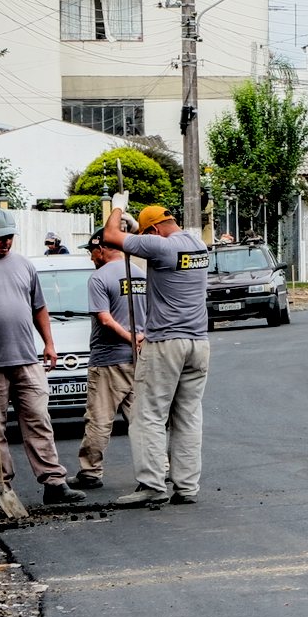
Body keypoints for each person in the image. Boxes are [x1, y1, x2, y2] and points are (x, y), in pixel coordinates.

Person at [0, 208, 87, 507]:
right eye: (0, 238)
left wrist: (49, 344)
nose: (6, 243)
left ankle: (54, 482)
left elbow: (39, 307)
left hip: (26, 358)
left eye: (10, 237)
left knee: (39, 419)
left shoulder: (24, 266)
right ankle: (2, 485)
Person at [101, 202, 209, 509]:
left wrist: (118, 207)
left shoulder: (159, 247)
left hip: (165, 343)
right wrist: (138, 232)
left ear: (153, 231)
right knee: (187, 415)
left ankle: (151, 484)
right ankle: (187, 486)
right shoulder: (196, 244)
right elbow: (142, 243)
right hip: (198, 342)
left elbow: (110, 236)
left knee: (148, 414)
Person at [74, 227, 145, 490]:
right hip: (139, 359)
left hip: (107, 361)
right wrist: (140, 338)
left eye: (92, 251)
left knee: (99, 419)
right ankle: (158, 469)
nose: (91, 257)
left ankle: (90, 472)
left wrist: (128, 337)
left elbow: (104, 319)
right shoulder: (138, 274)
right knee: (142, 420)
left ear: (101, 249)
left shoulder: (99, 278)